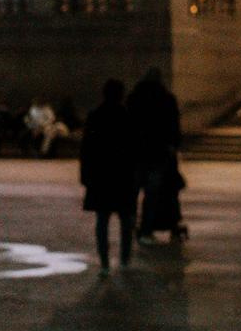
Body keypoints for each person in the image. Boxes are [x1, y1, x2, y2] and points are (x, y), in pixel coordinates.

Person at [77, 79, 137, 273]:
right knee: (126, 220)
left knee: (102, 220)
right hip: (123, 176)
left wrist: (85, 174)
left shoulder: (96, 115)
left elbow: (86, 148)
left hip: (101, 175)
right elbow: (135, 148)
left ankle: (104, 261)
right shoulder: (127, 116)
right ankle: (124, 259)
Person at [130, 68, 186, 243]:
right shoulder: (166, 99)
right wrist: (173, 146)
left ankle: (130, 225)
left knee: (133, 193)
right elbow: (173, 126)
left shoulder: (134, 98)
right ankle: (146, 230)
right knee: (151, 195)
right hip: (158, 154)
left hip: (137, 153)